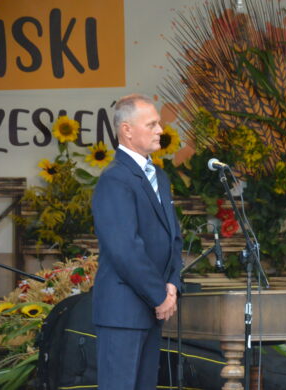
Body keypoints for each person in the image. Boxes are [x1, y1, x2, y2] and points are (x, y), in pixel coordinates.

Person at [91, 94, 183, 390]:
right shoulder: (115, 179)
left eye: (159, 124)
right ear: (127, 130)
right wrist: (159, 295)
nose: (160, 131)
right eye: (152, 124)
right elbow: (125, 249)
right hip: (123, 313)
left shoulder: (160, 176)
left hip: (151, 309)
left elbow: (174, 237)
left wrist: (173, 284)